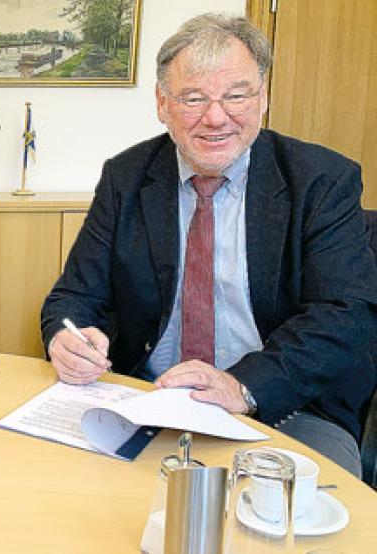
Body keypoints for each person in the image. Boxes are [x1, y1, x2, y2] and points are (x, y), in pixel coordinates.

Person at [41, 14, 377, 476]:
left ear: (262, 97)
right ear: (162, 104)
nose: (216, 117)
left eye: (236, 96)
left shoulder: (322, 179)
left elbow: (346, 313)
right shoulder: (126, 176)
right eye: (193, 98)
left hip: (285, 407)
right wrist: (67, 338)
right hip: (148, 401)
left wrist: (243, 386)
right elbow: (75, 297)